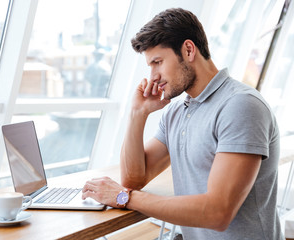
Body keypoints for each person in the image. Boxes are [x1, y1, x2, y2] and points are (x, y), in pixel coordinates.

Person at [82, 8, 283, 239]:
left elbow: (217, 213)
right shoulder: (178, 111)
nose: (153, 75)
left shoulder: (241, 106)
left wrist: (124, 197)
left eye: (158, 62)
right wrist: (137, 114)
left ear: (188, 50)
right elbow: (134, 179)